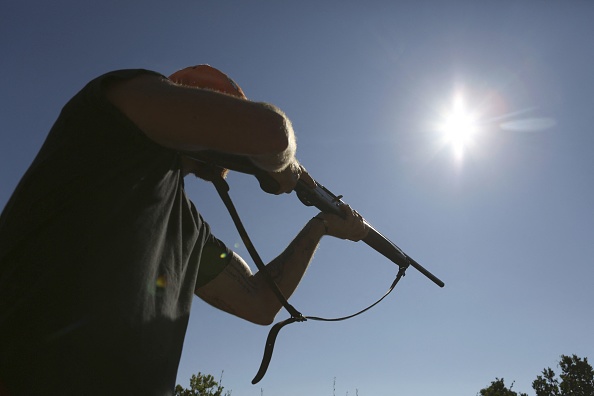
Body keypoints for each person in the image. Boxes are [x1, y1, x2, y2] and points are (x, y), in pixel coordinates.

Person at [0, 65, 368, 396]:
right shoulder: (109, 113)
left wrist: (319, 226)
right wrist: (290, 168)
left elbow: (259, 302)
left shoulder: (188, 227)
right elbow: (271, 135)